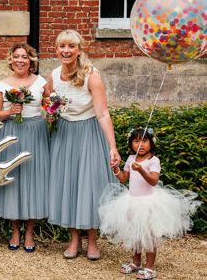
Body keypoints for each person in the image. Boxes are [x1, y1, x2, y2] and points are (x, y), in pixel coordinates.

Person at [47, 29, 120, 261]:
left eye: (71, 46)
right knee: (68, 183)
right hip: (64, 134)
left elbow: (103, 114)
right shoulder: (54, 75)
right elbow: (50, 109)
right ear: (56, 49)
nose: (66, 51)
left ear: (79, 50)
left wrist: (113, 147)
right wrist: (49, 115)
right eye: (62, 46)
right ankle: (73, 239)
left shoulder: (92, 75)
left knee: (89, 185)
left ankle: (92, 241)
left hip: (88, 132)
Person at [99, 127, 200, 279]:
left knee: (149, 235)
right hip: (131, 202)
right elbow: (124, 178)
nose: (141, 144)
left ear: (151, 143)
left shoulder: (154, 161)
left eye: (145, 140)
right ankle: (136, 262)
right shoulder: (131, 159)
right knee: (135, 234)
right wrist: (115, 169)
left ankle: (150, 267)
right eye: (136, 140)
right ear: (131, 143)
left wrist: (141, 171)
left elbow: (153, 181)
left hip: (148, 203)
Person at [0, 42, 50, 252]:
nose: (20, 60)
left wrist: (52, 113)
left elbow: (49, 105)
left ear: (31, 60)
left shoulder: (41, 82)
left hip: (35, 131)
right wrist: (10, 111)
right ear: (10, 60)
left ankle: (29, 231)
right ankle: (15, 229)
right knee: (13, 179)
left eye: (24, 57)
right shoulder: (2, 84)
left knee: (34, 178)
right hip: (10, 133)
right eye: (16, 56)